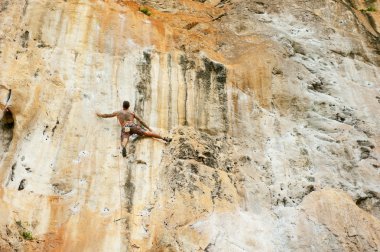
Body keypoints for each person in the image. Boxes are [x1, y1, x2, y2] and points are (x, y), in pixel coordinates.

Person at [96, 101, 171, 157]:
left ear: (123, 106)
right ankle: (164, 138)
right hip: (133, 126)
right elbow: (140, 121)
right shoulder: (131, 113)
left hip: (125, 127)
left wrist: (99, 114)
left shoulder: (118, 113)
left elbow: (107, 115)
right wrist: (148, 128)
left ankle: (124, 147)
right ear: (128, 106)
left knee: (125, 136)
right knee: (147, 133)